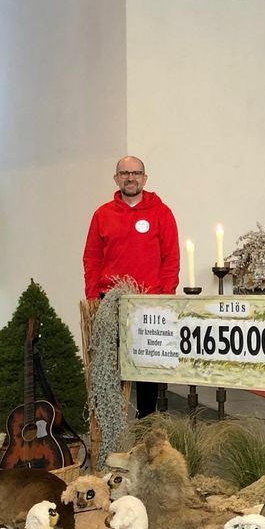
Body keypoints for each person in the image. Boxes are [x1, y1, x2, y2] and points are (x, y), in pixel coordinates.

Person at [83, 155, 180, 417]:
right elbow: (92, 257)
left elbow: (170, 258)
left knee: (146, 367)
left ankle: (145, 423)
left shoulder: (161, 212)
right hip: (109, 302)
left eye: (136, 173)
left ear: (144, 178)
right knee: (110, 366)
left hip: (148, 303)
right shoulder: (102, 214)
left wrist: (166, 296)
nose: (130, 178)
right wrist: (93, 295)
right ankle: (110, 423)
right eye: (124, 173)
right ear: (116, 179)